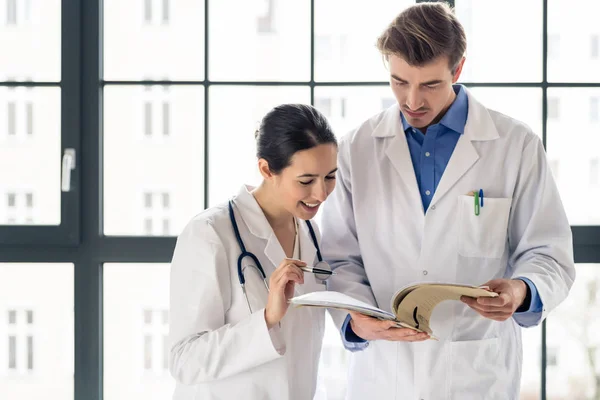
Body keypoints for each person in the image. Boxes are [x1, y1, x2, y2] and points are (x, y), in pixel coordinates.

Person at [320, 3, 575, 399]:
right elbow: (338, 258)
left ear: (457, 70)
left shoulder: (514, 145)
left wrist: (521, 290)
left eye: (430, 85)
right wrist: (356, 319)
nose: (411, 100)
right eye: (399, 81)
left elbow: (549, 253)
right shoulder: (359, 148)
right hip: (384, 376)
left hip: (475, 374)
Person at [168, 103, 338, 399]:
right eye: (306, 181)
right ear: (266, 169)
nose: (321, 194)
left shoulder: (310, 232)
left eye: (330, 177)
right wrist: (267, 318)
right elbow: (184, 360)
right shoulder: (210, 233)